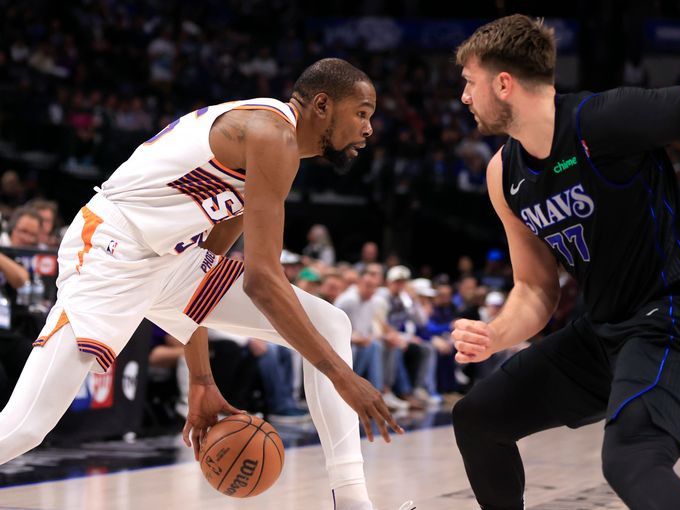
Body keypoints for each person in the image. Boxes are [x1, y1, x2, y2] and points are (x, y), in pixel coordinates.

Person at [0, 58, 406, 510]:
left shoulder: (268, 145)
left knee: (331, 323)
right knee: (26, 426)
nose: (369, 129)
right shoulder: (273, 136)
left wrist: (201, 378)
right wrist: (343, 376)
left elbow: (204, 266)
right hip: (111, 252)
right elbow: (263, 282)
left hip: (167, 260)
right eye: (363, 113)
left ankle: (352, 502)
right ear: (324, 105)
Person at [450, 15, 680, 510]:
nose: (464, 97)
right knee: (478, 418)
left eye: (469, 83)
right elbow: (534, 289)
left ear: (503, 84)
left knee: (631, 457)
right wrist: (495, 335)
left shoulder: (602, 121)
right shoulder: (502, 174)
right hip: (606, 330)